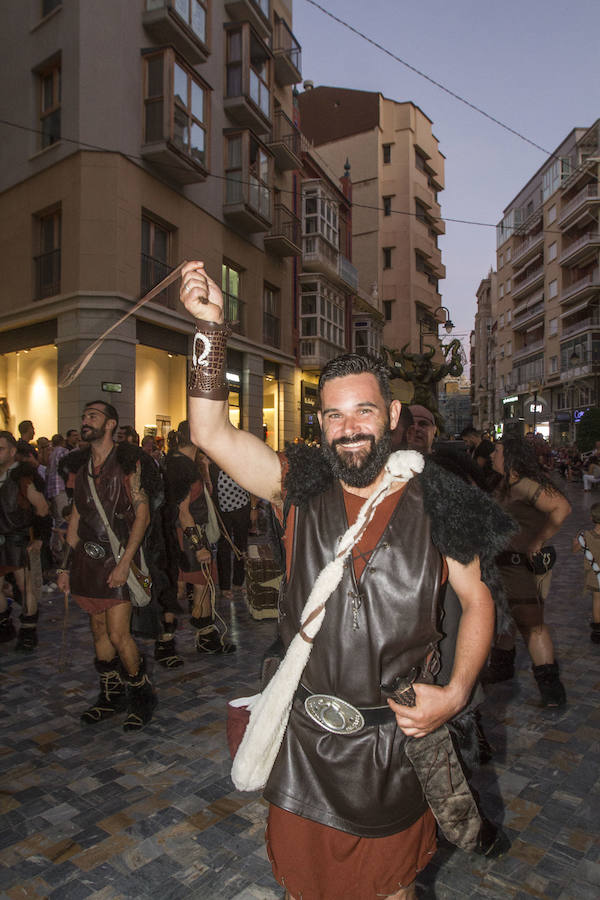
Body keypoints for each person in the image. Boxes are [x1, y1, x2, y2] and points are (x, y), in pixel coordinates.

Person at [179, 261, 514, 900]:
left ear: (390, 414)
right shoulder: (298, 486)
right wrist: (209, 330)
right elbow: (209, 432)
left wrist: (456, 692)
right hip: (304, 741)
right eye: (334, 415)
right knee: (303, 889)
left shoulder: (444, 498)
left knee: (392, 891)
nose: (349, 427)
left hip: (392, 747)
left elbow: (476, 605)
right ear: (321, 422)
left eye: (363, 410)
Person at [56, 401, 158, 730]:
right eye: (84, 416)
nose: (85, 421)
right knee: (98, 630)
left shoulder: (129, 461)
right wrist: (64, 566)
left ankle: (142, 696)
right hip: (87, 560)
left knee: (118, 633)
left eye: (93, 417)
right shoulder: (81, 464)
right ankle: (111, 694)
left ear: (111, 424)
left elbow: (141, 514)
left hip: (118, 557)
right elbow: (75, 518)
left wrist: (125, 563)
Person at [487, 436, 571, 706]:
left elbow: (562, 508)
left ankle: (551, 690)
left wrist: (538, 540)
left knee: (531, 625)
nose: (492, 455)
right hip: (501, 565)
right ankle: (502, 667)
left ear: (510, 456)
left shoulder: (524, 485)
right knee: (505, 619)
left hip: (516, 566)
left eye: (497, 451)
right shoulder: (506, 485)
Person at [158, 421, 235, 660]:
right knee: (202, 585)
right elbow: (183, 511)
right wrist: (199, 545)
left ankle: (166, 645)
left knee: (174, 588)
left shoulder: (172, 461)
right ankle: (204, 639)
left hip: (171, 535)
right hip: (187, 535)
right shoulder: (183, 467)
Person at [0, 431, 50, 650]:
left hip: (18, 539)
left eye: (1, 448)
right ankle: (4, 624)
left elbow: (42, 508)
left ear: (12, 451)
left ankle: (28, 631)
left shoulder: (23, 476)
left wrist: (39, 538)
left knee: (25, 585)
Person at [210, 462, 252, 599]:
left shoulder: (239, 459)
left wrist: (254, 508)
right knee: (223, 547)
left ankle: (238, 583)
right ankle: (225, 586)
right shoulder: (212, 462)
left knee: (241, 545)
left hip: (242, 505)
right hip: (221, 509)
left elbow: (252, 483)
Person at [572, 502, 600, 644]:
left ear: (591, 518)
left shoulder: (585, 535)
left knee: (597, 601)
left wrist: (575, 542)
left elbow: (575, 550)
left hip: (594, 574)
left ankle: (597, 631)